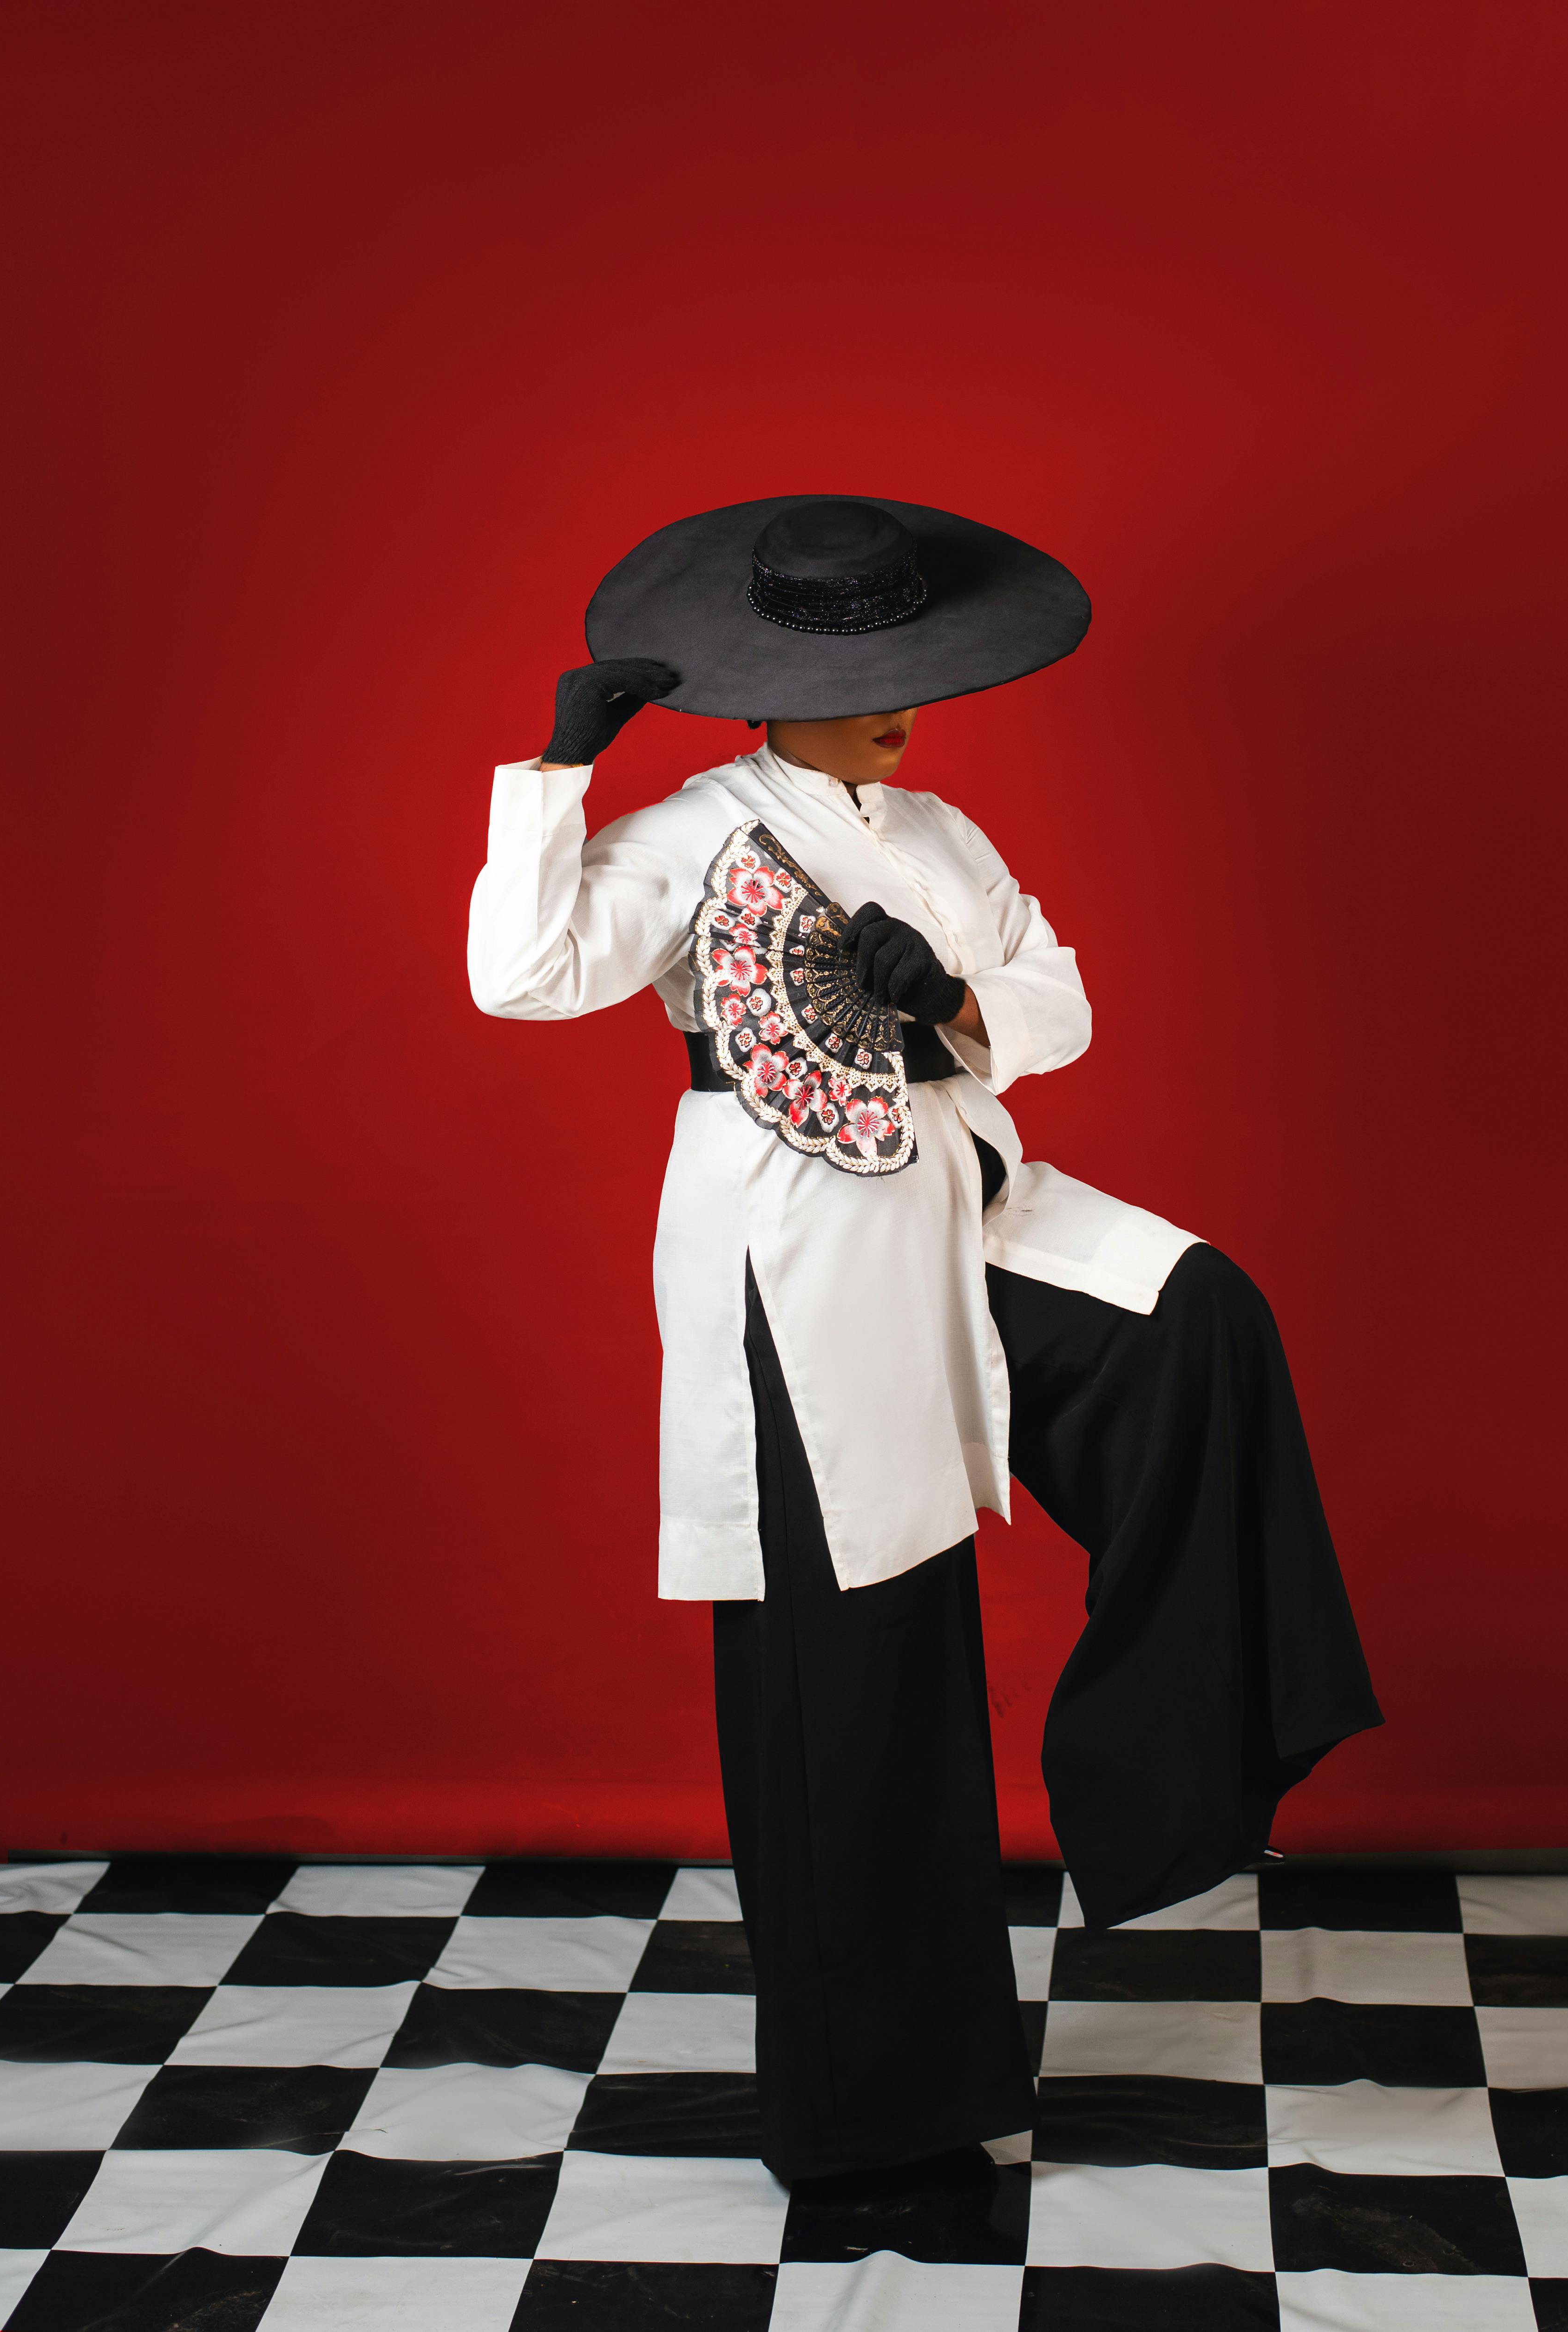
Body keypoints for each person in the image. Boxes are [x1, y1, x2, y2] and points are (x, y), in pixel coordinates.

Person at [468, 495, 1381, 2188]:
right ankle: (872, 2115)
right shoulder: (695, 831)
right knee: (858, 1667)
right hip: (798, 1250)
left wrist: (948, 1001)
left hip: (961, 1192)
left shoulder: (945, 834)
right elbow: (523, 973)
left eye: (909, 667)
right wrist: (557, 772)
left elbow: (1059, 999)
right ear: (768, 684)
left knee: (1199, 1319)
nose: (898, 705)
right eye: (859, 677)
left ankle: (1167, 1772)